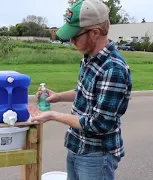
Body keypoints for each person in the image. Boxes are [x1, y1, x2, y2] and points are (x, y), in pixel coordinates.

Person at [30, 0, 133, 180]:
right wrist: (57, 97)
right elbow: (84, 91)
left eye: (75, 36)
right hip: (77, 145)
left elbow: (98, 124)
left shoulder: (113, 69)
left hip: (96, 156)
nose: (70, 40)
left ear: (95, 33)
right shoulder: (89, 58)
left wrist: (53, 115)